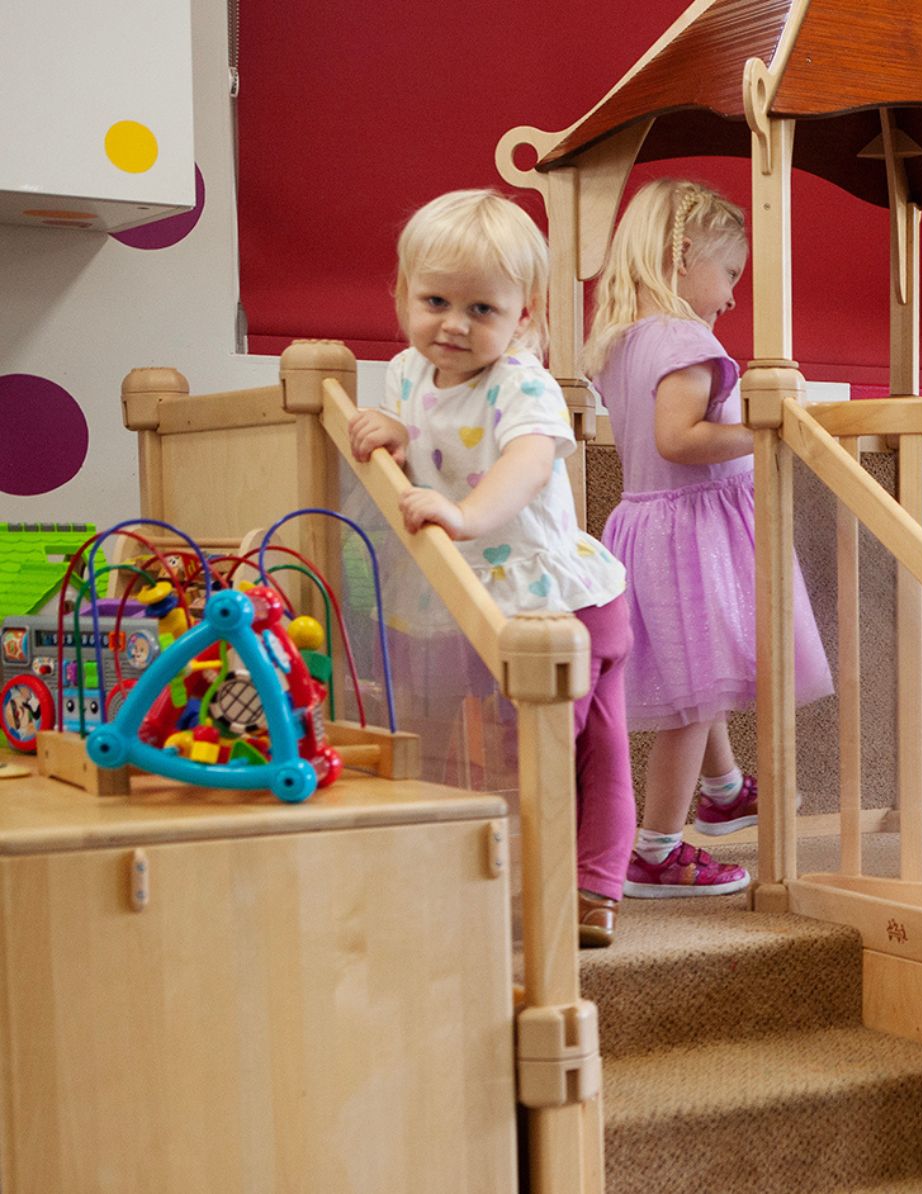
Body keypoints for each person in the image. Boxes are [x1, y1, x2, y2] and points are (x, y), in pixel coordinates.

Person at [347, 189, 634, 946]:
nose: (454, 324)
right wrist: (393, 434)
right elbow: (423, 438)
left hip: (557, 600)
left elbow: (528, 460)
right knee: (471, 740)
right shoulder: (407, 372)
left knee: (575, 746)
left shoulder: (521, 384)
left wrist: (467, 516)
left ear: (524, 317)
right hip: (468, 592)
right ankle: (478, 871)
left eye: (482, 310)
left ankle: (592, 888)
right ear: (400, 295)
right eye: (435, 300)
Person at [582, 177, 832, 898]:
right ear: (682, 256)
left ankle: (722, 789)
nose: (729, 296)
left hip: (651, 524)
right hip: (691, 531)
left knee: (702, 672)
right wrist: (764, 425)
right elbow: (679, 437)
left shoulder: (626, 340)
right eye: (728, 274)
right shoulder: (683, 336)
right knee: (693, 700)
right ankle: (654, 850)